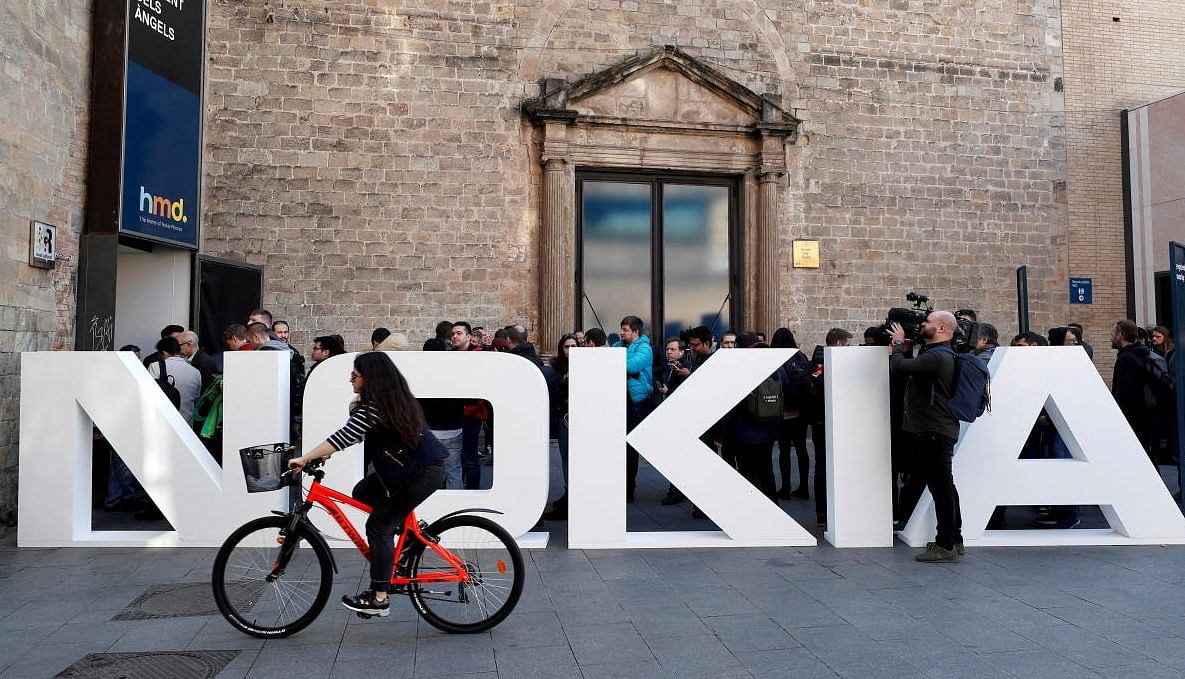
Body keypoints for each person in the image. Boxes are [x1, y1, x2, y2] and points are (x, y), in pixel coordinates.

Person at [288, 352, 447, 616]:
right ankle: (409, 533)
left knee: (378, 525)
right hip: (410, 468)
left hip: (421, 471)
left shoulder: (376, 407)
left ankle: (379, 596)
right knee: (363, 492)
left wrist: (305, 458)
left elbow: (342, 436)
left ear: (370, 379)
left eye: (355, 375)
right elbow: (353, 435)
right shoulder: (386, 402)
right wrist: (322, 454)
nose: (351, 378)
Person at [889, 311, 964, 562]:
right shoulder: (938, 353)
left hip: (933, 430)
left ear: (943, 328)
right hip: (937, 428)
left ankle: (945, 545)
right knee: (946, 486)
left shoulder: (939, 356)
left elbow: (899, 367)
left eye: (929, 322)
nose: (923, 324)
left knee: (941, 488)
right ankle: (955, 539)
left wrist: (898, 343)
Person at [808, 328, 852, 526]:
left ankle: (825, 513)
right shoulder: (823, 364)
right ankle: (824, 512)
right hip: (824, 421)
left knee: (823, 467)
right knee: (825, 467)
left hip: (822, 421)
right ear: (838, 344)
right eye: (847, 345)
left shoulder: (821, 361)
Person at [614, 316, 653, 502]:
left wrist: (619, 360)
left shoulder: (645, 348)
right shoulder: (617, 345)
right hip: (615, 400)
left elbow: (631, 366)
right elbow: (603, 362)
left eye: (626, 330)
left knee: (629, 448)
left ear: (636, 331)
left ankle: (628, 489)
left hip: (635, 403)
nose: (622, 332)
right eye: (621, 329)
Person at [770, 327, 811, 500]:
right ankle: (803, 487)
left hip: (782, 410)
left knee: (784, 450)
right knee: (802, 449)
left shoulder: (774, 358)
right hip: (800, 411)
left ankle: (785, 487)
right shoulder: (800, 356)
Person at [542, 334, 578, 520]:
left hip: (580, 417)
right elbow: (555, 388)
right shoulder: (555, 366)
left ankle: (573, 496)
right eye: (566, 346)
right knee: (565, 456)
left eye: (573, 345)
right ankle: (568, 492)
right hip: (564, 417)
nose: (570, 349)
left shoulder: (585, 364)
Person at [657, 336, 694, 506]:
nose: (669, 352)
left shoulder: (684, 366)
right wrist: (666, 390)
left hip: (683, 419)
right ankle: (677, 490)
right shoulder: (669, 367)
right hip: (673, 417)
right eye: (667, 349)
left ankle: (676, 491)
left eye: (672, 349)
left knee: (678, 456)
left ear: (681, 351)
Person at [148, 336, 203, 427]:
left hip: (162, 423)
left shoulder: (155, 367)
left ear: (164, 353)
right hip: (187, 424)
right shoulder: (195, 371)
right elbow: (196, 397)